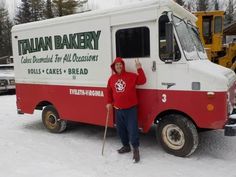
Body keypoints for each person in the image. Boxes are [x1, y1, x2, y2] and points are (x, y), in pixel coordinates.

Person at [106, 57, 146, 163]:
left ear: (123, 65)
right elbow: (109, 91)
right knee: (121, 130)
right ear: (114, 67)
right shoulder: (112, 78)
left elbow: (142, 80)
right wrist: (109, 102)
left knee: (133, 130)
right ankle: (126, 146)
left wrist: (139, 68)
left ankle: (136, 150)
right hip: (118, 109)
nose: (118, 66)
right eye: (116, 65)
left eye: (120, 64)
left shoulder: (131, 76)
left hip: (130, 109)